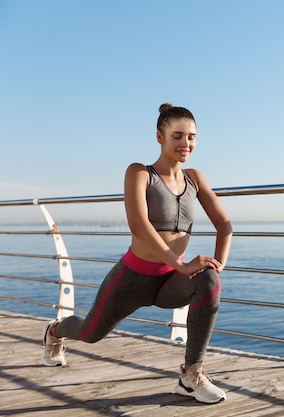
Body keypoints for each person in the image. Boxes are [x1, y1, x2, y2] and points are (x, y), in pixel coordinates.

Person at [40, 103, 233, 404]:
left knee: (208, 280)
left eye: (192, 137)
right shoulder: (139, 173)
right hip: (132, 279)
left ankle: (191, 375)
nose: (186, 144)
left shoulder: (195, 178)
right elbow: (140, 226)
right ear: (160, 137)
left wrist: (217, 263)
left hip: (171, 281)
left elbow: (225, 225)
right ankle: (54, 331)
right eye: (177, 136)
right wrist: (181, 266)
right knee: (90, 332)